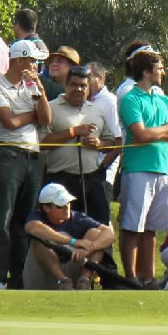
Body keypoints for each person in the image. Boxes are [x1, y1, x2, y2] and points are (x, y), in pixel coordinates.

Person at [0, 39, 52, 289]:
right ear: (20, 60)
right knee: (2, 217)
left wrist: (40, 90)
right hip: (6, 155)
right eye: (33, 60)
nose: (36, 65)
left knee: (25, 221)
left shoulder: (32, 87)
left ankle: (21, 277)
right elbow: (9, 122)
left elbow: (46, 118)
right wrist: (31, 116)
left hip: (33, 157)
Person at [118, 49, 168, 289]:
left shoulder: (163, 99)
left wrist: (158, 132)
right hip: (137, 168)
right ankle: (131, 277)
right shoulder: (131, 99)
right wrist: (165, 129)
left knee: (152, 228)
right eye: (159, 68)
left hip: (163, 168)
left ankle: (148, 277)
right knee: (133, 226)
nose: (163, 72)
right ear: (146, 72)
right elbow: (140, 133)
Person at [39, 66, 116, 225]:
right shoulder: (51, 108)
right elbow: (42, 143)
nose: (78, 89)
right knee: (63, 229)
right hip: (61, 179)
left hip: (92, 178)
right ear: (66, 85)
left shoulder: (97, 110)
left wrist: (99, 143)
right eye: (74, 84)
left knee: (99, 227)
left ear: (89, 89)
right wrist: (72, 132)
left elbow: (111, 142)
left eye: (83, 86)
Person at [23, 183, 115, 290]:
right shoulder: (36, 217)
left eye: (68, 203)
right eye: (60, 205)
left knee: (95, 234)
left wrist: (90, 248)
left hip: (71, 272)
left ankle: (83, 281)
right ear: (46, 208)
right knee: (39, 241)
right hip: (42, 277)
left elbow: (109, 235)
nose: (66, 208)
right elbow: (33, 229)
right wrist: (72, 242)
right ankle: (62, 280)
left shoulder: (78, 218)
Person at [85, 62, 122, 201]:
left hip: (101, 175)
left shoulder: (110, 102)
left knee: (101, 219)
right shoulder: (85, 99)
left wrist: (102, 168)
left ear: (100, 78)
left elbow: (119, 140)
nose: (85, 80)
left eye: (88, 76)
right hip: (84, 170)